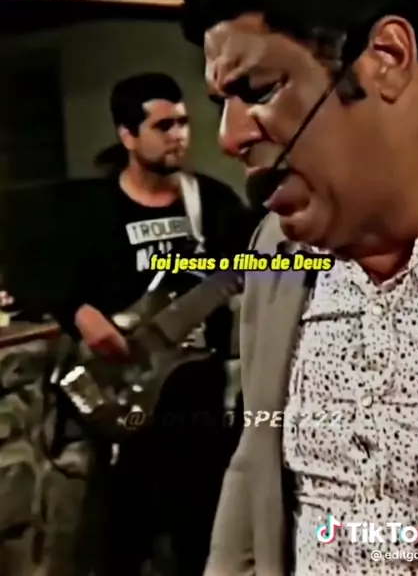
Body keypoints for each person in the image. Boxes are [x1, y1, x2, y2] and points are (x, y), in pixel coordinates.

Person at [182, 0, 418, 575]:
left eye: (259, 90)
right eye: (221, 103)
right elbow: (254, 465)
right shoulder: (276, 250)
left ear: (387, 59)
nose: (229, 137)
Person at [5, 72, 254, 576]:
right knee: (119, 545)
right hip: (123, 401)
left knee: (202, 542)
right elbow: (26, 268)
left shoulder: (212, 203)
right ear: (127, 135)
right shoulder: (90, 209)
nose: (179, 135)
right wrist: (79, 313)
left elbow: (264, 262)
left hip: (197, 402)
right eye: (163, 126)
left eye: (183, 123)